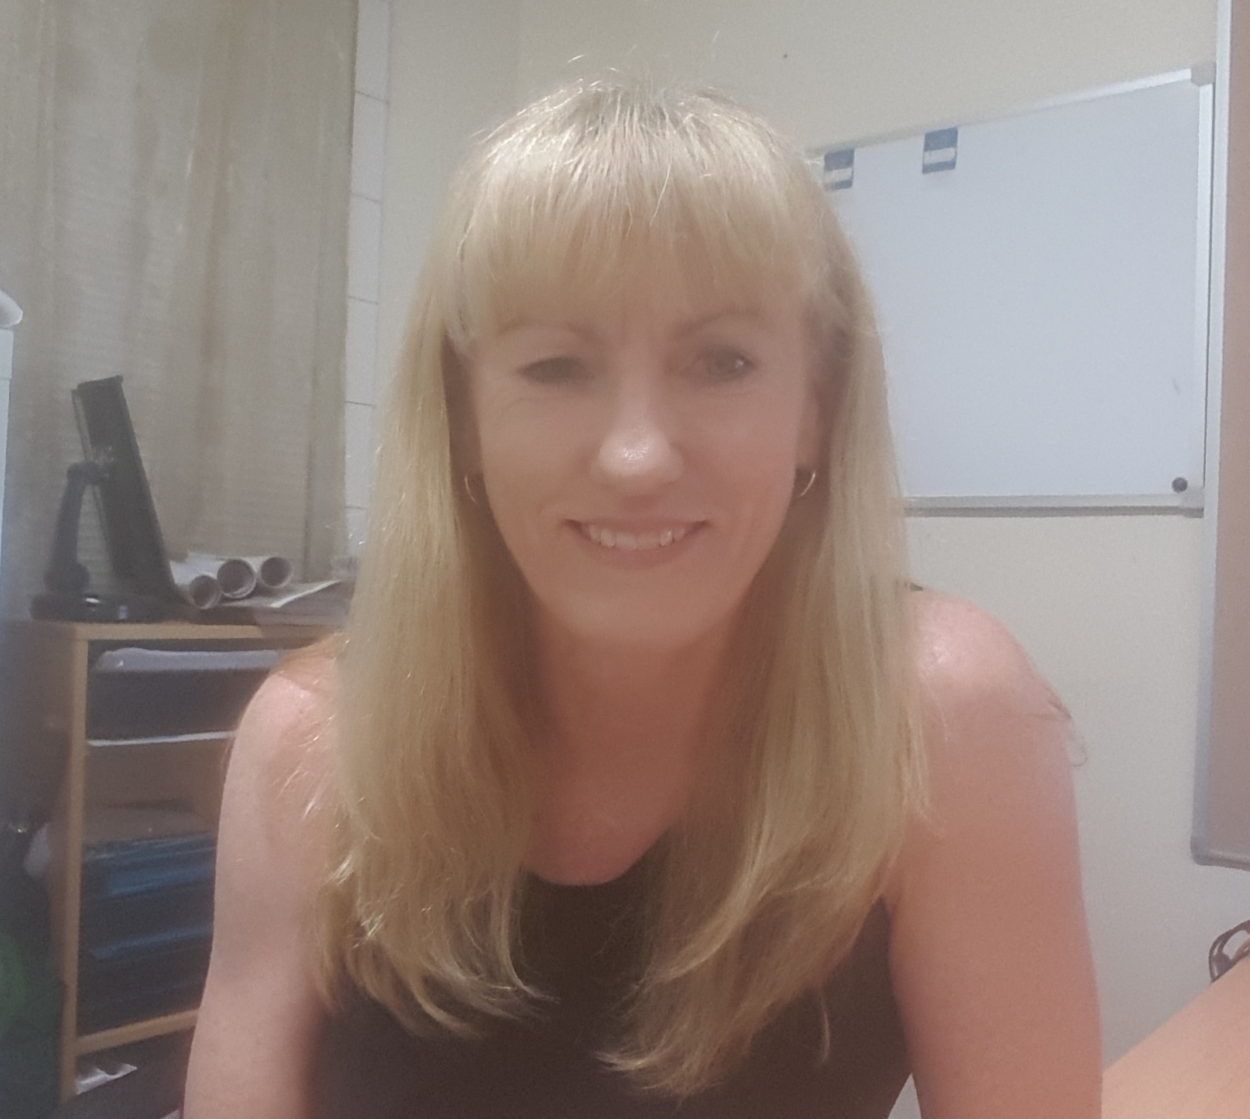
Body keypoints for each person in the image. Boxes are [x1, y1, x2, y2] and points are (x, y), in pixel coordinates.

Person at [183, 79, 1101, 1118]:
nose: (635, 455)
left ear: (815, 406)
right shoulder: (313, 744)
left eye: (721, 361)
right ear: (464, 418)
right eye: (557, 365)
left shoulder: (941, 716)